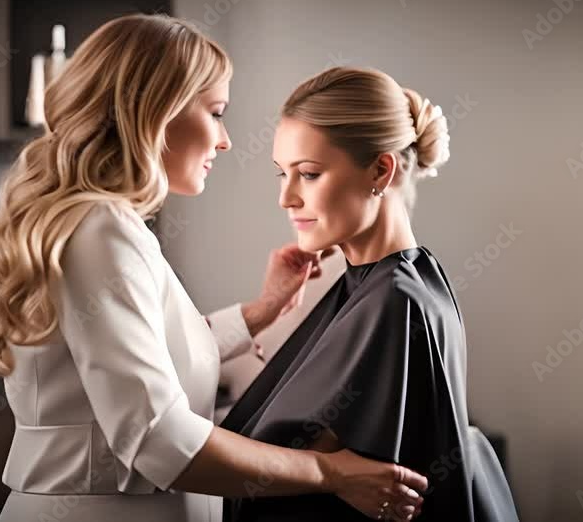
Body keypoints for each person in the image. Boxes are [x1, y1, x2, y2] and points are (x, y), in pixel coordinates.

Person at [0, 15, 426, 522]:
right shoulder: (101, 232)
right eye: (216, 112)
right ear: (156, 110)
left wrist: (260, 312)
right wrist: (330, 472)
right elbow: (157, 439)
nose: (224, 140)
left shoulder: (105, 226)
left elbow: (144, 357)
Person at [221, 67, 520, 521]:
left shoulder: (396, 302)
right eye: (282, 174)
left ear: (381, 169)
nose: (287, 198)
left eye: (309, 174)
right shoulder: (401, 279)